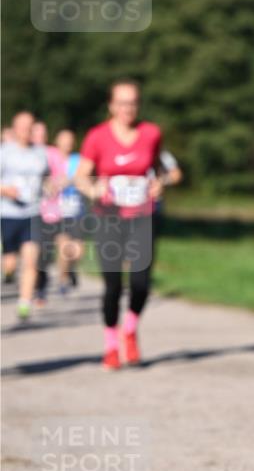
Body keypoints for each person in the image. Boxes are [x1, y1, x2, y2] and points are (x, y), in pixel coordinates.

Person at [75, 80, 163, 370]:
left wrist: (158, 184)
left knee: (141, 283)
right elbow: (81, 176)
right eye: (122, 103)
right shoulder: (97, 136)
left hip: (142, 216)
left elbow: (159, 170)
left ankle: (130, 329)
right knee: (112, 285)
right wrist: (94, 190)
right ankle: (111, 345)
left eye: (133, 102)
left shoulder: (151, 133)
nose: (128, 108)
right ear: (111, 105)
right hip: (108, 217)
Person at [0, 111, 49, 321]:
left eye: (30, 127)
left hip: (32, 212)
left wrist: (50, 188)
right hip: (8, 212)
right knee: (10, 262)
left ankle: (24, 302)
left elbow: (46, 179)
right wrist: (5, 190)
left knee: (31, 260)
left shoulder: (40, 153)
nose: (26, 131)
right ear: (15, 128)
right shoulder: (5, 152)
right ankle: (9, 272)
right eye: (22, 126)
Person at [37, 130, 85, 296]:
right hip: (56, 211)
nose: (67, 143)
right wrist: (49, 185)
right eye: (64, 140)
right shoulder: (49, 156)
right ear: (57, 141)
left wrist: (71, 180)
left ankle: (70, 270)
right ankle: (63, 279)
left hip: (75, 210)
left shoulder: (78, 160)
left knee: (78, 251)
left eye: (70, 140)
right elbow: (41, 177)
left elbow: (85, 178)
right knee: (62, 246)